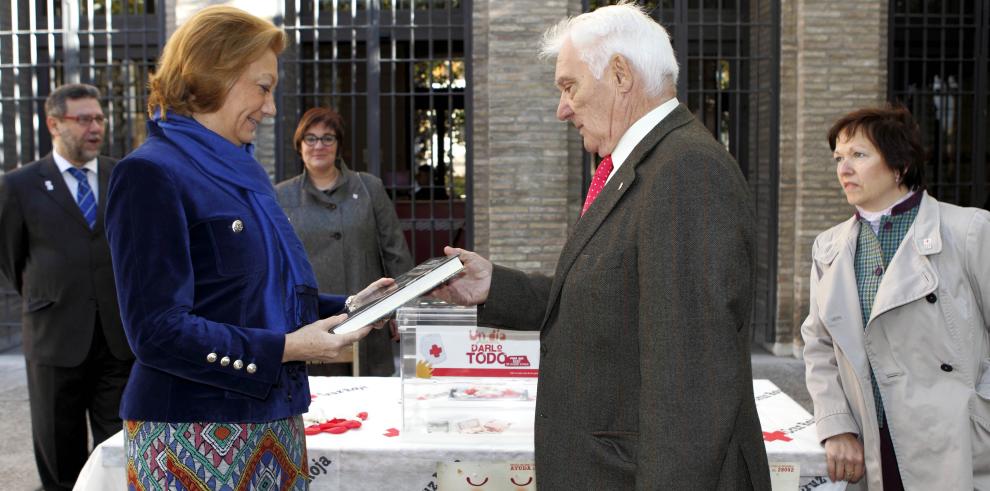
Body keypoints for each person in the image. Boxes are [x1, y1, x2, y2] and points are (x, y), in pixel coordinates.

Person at [433, 3, 770, 489]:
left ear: (619, 75)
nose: (561, 108)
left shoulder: (685, 172)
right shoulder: (644, 166)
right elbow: (613, 300)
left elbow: (690, 390)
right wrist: (494, 287)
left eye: (569, 86)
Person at [103, 7, 386, 490]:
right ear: (214, 73)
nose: (272, 108)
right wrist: (290, 347)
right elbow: (155, 331)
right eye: (263, 87)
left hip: (274, 424)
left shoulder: (244, 171)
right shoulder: (149, 173)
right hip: (191, 435)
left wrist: (354, 309)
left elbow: (263, 296)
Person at [801, 105, 990, 490]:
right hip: (869, 441)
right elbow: (818, 345)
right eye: (839, 157)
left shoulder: (969, 231)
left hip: (955, 442)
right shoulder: (828, 247)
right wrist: (836, 424)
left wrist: (980, 413)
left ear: (900, 165)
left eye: (858, 155)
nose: (844, 168)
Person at [0, 83, 134, 491]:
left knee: (122, 447)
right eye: (84, 119)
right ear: (54, 123)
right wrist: (52, 295)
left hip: (117, 339)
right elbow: (10, 258)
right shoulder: (20, 185)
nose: (95, 127)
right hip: (55, 339)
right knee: (60, 453)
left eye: (99, 118)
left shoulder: (123, 175)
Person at [277, 107, 413, 376]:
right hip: (310, 322)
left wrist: (403, 308)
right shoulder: (281, 196)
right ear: (299, 145)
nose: (319, 146)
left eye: (328, 138)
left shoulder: (368, 188)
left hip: (365, 317)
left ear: (338, 145)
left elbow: (395, 252)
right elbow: (276, 263)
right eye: (311, 138)